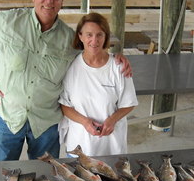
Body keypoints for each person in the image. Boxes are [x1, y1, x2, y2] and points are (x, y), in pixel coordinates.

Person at [0, 0, 132, 161]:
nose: (49, 0)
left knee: (46, 178)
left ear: (62, 0)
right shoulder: (7, 22)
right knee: (3, 176)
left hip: (46, 124)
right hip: (7, 118)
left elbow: (91, 50)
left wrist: (115, 57)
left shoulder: (69, 38)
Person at [59, 12, 138, 157]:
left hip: (111, 147)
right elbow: (65, 105)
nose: (94, 41)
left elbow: (129, 103)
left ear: (105, 37)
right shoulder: (70, 66)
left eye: (99, 35)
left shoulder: (118, 66)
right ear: (80, 36)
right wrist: (85, 122)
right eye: (89, 35)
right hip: (79, 146)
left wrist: (112, 120)